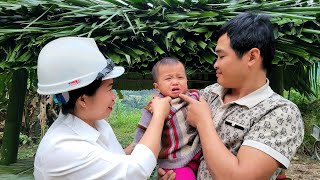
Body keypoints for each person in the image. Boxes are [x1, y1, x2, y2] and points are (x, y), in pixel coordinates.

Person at [160, 12, 304, 180]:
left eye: (221, 56)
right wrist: (175, 169)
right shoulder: (209, 94)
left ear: (252, 57)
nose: (215, 64)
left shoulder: (280, 113)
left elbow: (240, 177)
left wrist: (203, 122)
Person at [34, 37, 172, 179]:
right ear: (82, 99)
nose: (114, 97)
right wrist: (158, 116)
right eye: (109, 89)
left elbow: (109, 161)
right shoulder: (62, 148)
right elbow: (135, 171)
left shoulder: (97, 123)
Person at [133, 58, 202, 180]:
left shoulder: (194, 96)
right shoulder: (156, 106)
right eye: (168, 78)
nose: (175, 82)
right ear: (157, 86)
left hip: (197, 152)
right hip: (174, 162)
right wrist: (137, 149)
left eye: (180, 77)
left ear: (186, 80)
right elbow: (143, 131)